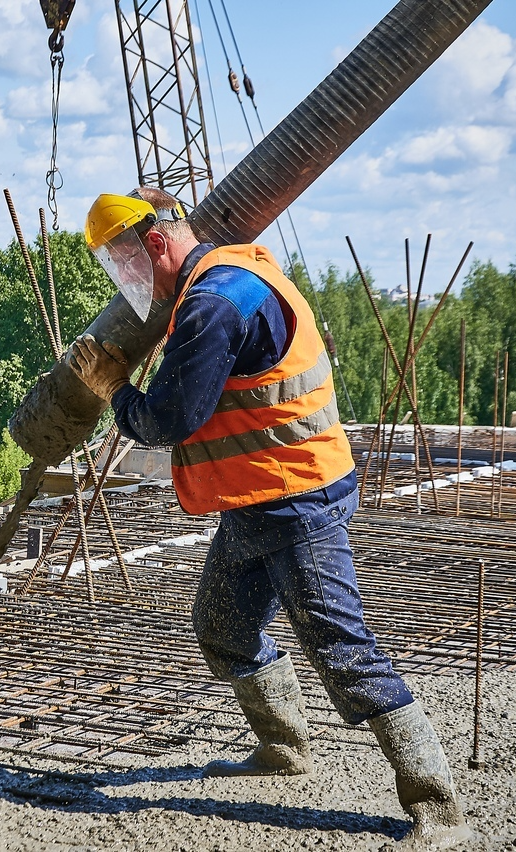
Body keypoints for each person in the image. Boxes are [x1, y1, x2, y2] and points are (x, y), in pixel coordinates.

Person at [69, 187, 472, 850]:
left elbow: (164, 421)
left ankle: (439, 806)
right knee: (222, 628)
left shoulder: (213, 305)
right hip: (260, 496)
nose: (126, 284)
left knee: (343, 651)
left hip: (296, 497)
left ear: (157, 243)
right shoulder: (230, 275)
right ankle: (285, 749)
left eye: (124, 266)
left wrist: (112, 385)